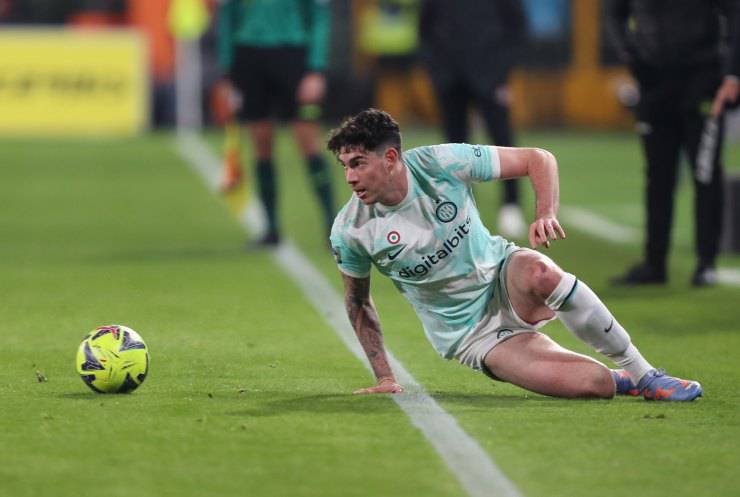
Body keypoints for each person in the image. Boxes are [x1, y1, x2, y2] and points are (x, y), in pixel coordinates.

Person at [327, 108, 702, 401]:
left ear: (390, 157)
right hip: (472, 335)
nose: (350, 178)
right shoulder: (352, 230)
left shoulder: (441, 163)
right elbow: (358, 303)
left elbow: (538, 158)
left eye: (358, 163)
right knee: (594, 385)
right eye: (345, 166)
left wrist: (545, 213)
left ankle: (646, 374)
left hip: (503, 275)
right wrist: (385, 376)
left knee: (540, 271)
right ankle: (620, 379)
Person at [605, 0, 740, 287]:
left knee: (705, 172)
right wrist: (628, 53)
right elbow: (614, 11)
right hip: (653, 81)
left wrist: (732, 73)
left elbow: (734, 11)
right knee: (658, 175)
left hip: (703, 78)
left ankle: (706, 263)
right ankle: (655, 264)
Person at [216, 0, 335, 247]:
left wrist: (316, 69)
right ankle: (271, 228)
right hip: (250, 56)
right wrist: (227, 72)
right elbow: (227, 17)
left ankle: (332, 226)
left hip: (293, 55)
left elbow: (319, 17)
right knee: (261, 142)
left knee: (308, 142)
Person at [419, 0, 528, 239]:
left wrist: (502, 71)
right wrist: (436, 70)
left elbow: (516, 26)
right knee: (453, 145)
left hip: (490, 74)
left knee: (502, 138)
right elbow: (425, 27)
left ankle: (511, 205)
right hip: (449, 77)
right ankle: (459, 211)